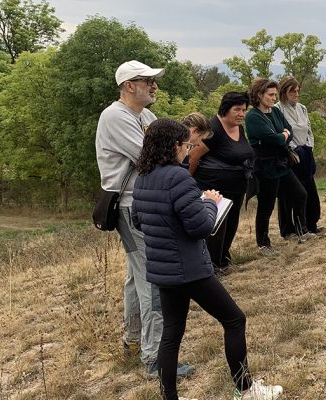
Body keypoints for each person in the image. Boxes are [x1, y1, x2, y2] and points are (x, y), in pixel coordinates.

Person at [131, 118, 283, 400]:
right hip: (190, 269)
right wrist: (209, 203)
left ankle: (169, 397)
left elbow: (137, 220)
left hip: (163, 271)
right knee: (234, 320)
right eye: (187, 145)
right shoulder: (179, 177)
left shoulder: (143, 178)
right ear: (174, 146)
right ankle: (246, 389)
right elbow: (201, 227)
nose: (189, 151)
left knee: (171, 334)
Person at [94, 60, 194, 378]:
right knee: (153, 278)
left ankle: (135, 344)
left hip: (146, 203)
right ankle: (154, 359)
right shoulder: (115, 116)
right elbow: (152, 158)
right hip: (131, 206)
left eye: (153, 80)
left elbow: (173, 151)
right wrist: (177, 155)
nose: (153, 86)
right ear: (128, 86)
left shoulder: (146, 116)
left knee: (136, 277)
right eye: (146, 80)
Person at [185, 93, 254, 271]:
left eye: (244, 110)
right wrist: (188, 183)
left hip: (236, 186)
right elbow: (193, 157)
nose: (241, 114)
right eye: (237, 109)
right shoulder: (213, 129)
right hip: (213, 188)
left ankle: (223, 260)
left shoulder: (239, 127)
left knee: (231, 225)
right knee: (216, 229)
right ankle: (212, 265)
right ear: (225, 109)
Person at [246, 77, 312, 254]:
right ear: (259, 95)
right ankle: (263, 244)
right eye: (270, 95)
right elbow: (275, 138)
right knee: (266, 207)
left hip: (281, 163)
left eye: (275, 95)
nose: (274, 98)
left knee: (300, 194)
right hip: (265, 166)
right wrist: (281, 135)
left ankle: (302, 231)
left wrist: (282, 135)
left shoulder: (273, 112)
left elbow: (288, 130)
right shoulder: (253, 117)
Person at [276, 76, 323, 238]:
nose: (296, 94)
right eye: (292, 91)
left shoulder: (302, 108)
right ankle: (289, 229)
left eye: (297, 91)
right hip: (290, 155)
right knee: (289, 194)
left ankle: (310, 223)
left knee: (310, 190)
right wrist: (293, 150)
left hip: (306, 153)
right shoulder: (277, 109)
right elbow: (281, 133)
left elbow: (309, 130)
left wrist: (309, 147)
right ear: (284, 92)